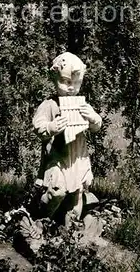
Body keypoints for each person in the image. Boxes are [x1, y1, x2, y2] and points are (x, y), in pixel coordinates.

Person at [32, 52, 102, 226]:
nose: (71, 88)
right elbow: (38, 126)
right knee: (57, 191)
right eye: (66, 82)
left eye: (76, 83)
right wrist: (51, 127)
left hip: (78, 157)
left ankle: (69, 232)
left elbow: (97, 126)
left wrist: (93, 118)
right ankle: (42, 221)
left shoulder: (82, 105)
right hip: (57, 157)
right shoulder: (49, 104)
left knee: (76, 196)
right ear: (54, 79)